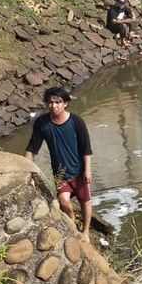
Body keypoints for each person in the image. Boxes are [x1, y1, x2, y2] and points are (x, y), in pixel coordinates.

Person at [24, 87, 94, 243]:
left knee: (85, 200)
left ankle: (86, 232)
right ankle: (72, 220)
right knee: (63, 201)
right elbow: (32, 148)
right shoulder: (42, 123)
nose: (54, 106)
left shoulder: (77, 122)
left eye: (58, 102)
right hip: (60, 173)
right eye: (50, 102)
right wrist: (25, 167)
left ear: (65, 104)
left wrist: (87, 170)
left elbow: (86, 148)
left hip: (79, 170)